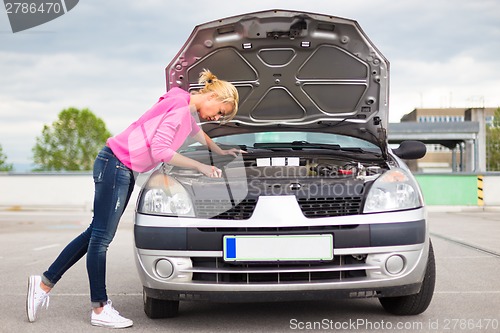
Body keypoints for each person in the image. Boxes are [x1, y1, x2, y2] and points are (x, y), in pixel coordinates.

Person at [26, 69, 240, 328]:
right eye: (221, 111)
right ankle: (99, 308)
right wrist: (202, 167)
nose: (218, 117)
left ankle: (43, 284)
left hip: (118, 165)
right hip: (116, 166)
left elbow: (196, 132)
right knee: (101, 239)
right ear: (214, 95)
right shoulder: (180, 109)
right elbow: (161, 150)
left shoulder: (182, 101)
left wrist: (220, 150)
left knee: (95, 233)